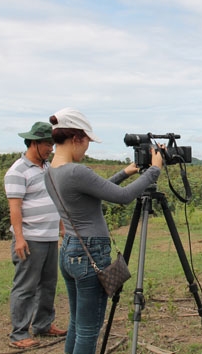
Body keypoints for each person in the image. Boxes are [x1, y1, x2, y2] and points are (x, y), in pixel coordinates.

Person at [44, 107, 163, 354]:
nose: (87, 148)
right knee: (89, 330)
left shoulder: (51, 171)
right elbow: (122, 197)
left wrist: (126, 172)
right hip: (90, 253)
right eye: (87, 141)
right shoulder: (76, 171)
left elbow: (97, 191)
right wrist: (154, 170)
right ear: (76, 138)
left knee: (77, 324)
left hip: (70, 250)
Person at [4, 122, 67, 349]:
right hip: (30, 238)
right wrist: (19, 238)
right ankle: (19, 334)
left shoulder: (47, 168)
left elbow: (55, 199)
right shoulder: (17, 171)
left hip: (49, 236)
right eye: (47, 144)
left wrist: (61, 227)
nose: (51, 148)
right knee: (26, 286)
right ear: (34, 143)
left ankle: (43, 324)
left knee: (49, 284)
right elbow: (15, 208)